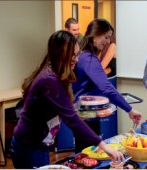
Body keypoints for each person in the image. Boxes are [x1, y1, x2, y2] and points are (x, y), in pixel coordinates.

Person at [10, 30, 124, 169]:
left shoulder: (57, 74)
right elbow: (71, 118)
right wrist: (104, 146)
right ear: (61, 55)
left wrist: (94, 113)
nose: (76, 59)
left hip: (38, 145)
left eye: (77, 54)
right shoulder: (49, 80)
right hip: (29, 146)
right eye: (73, 55)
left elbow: (70, 111)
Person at [73, 18, 142, 151]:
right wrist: (129, 109)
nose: (108, 41)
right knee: (87, 155)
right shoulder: (88, 59)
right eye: (106, 37)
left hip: (86, 113)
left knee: (86, 153)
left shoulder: (85, 55)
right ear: (95, 33)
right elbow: (106, 88)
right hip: (86, 116)